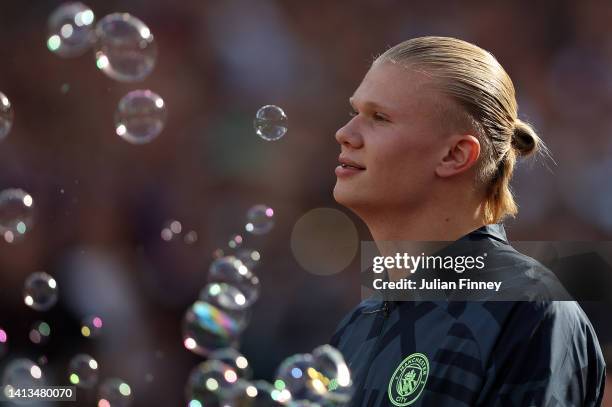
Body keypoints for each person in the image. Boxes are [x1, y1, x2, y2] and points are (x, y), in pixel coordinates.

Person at [330, 36, 606, 406]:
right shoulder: (356, 326)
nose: (345, 134)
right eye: (355, 112)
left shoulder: (526, 309)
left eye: (379, 117)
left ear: (456, 154)